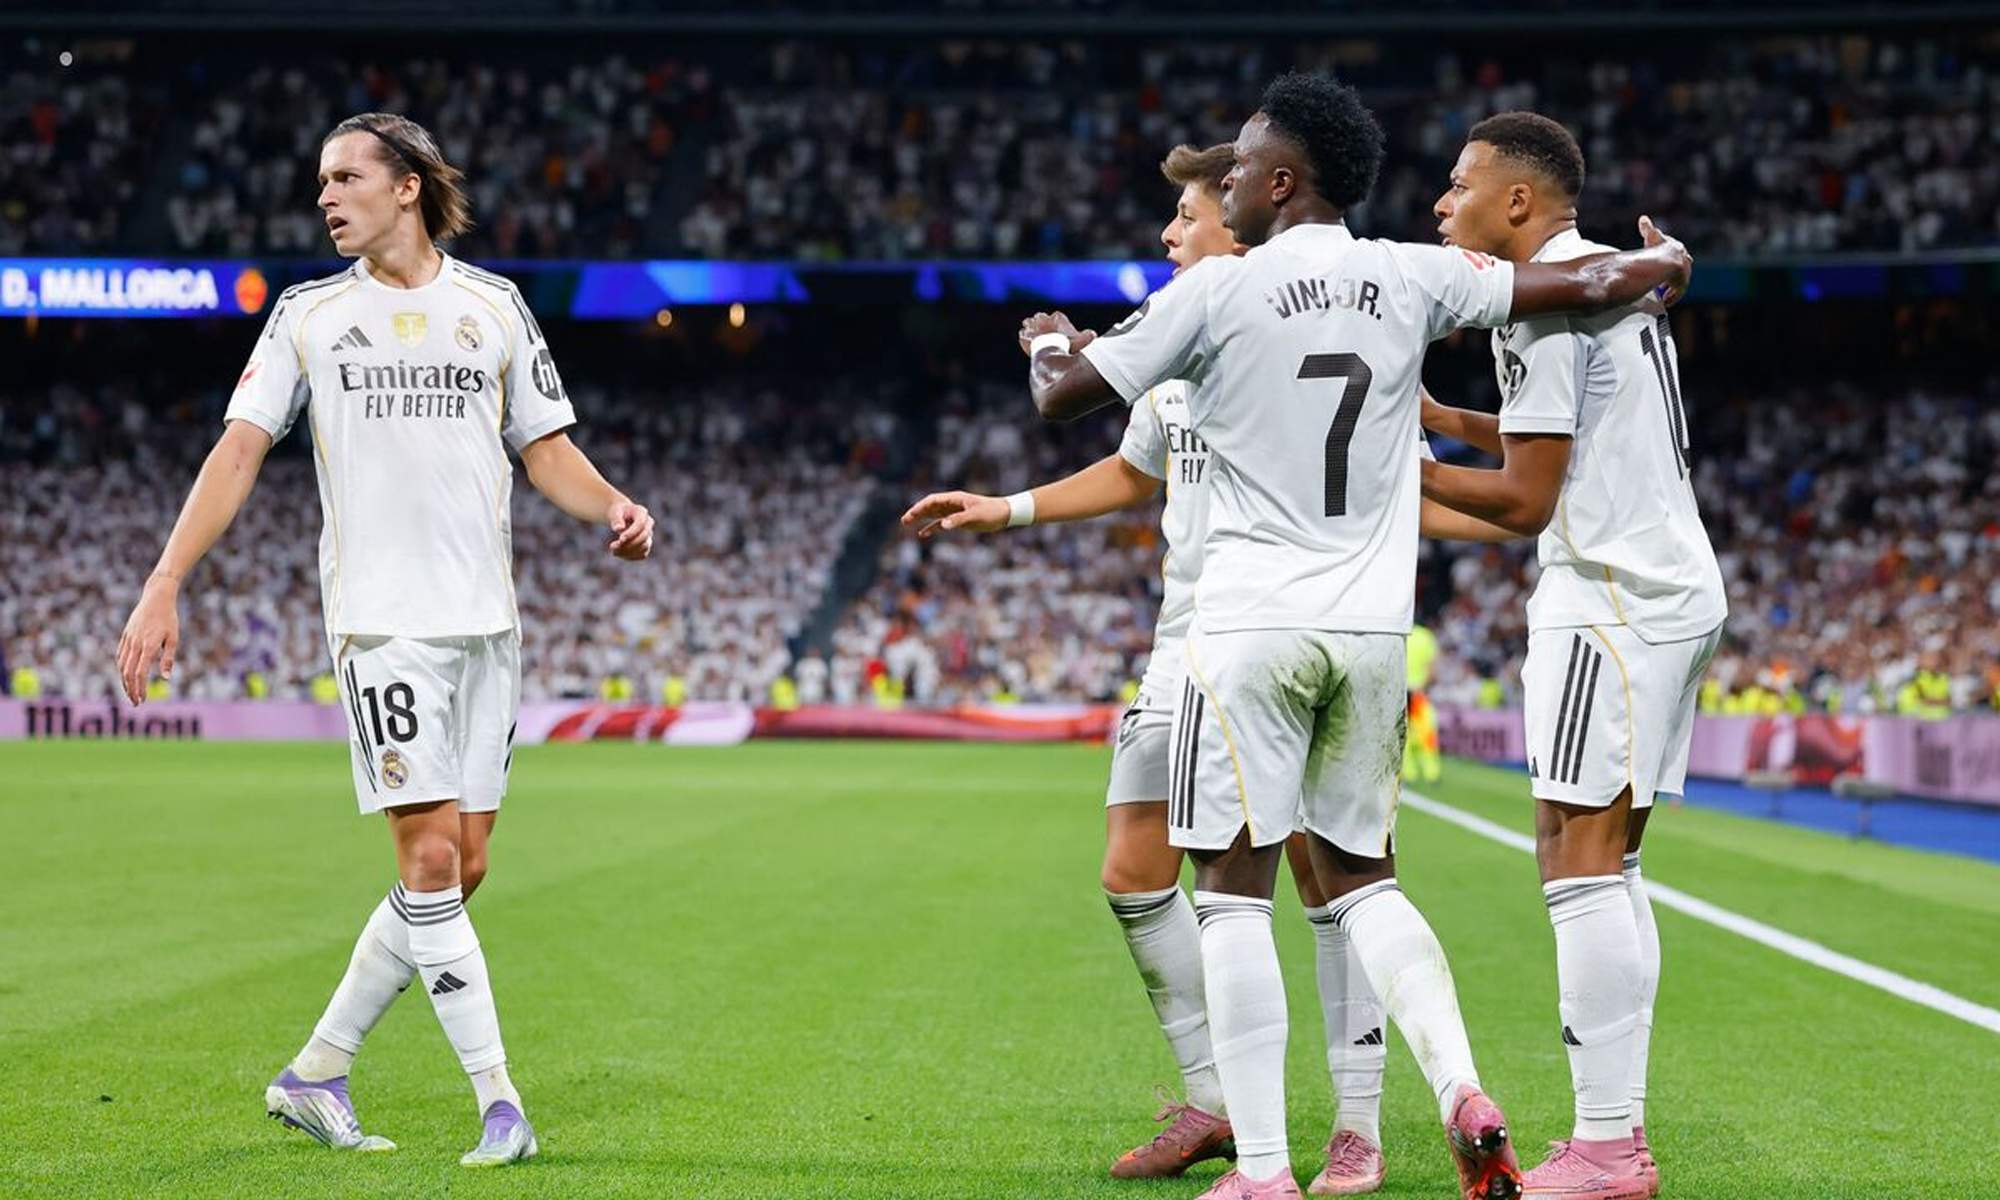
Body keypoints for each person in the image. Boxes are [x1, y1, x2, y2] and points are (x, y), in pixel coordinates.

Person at [1018, 71, 1692, 1200]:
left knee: (1231, 899)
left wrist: (1044, 343)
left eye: (1235, 164)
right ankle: (1456, 1087)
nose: (1223, 179)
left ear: (1280, 181)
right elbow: (1578, 281)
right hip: (1370, 631)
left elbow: (1065, 399)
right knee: (1362, 886)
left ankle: (1267, 1174)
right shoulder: (1409, 274)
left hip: (1245, 630)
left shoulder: (1212, 293)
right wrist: (1661, 265)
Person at [906, 140, 1516, 1194]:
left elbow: (1396, 486)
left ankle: (1344, 1130)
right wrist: (1006, 507)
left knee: (1304, 888)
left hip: (1242, 640)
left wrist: (1505, 511)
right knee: (1138, 871)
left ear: (1242, 220)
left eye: (1188, 214)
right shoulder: (1178, 340)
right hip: (1193, 651)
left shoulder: (1241, 310)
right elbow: (1131, 465)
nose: (1171, 233)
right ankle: (1224, 1102)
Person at [115, 112, 655, 1167]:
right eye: (322, 180)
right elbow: (237, 454)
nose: (326, 197)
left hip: (485, 627)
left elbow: (547, 452)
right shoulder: (309, 317)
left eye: (347, 177)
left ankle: (316, 1070)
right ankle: (500, 1102)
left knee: (464, 867)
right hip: (381, 622)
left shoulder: (491, 307)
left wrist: (612, 509)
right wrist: (165, 580)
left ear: (406, 186)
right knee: (429, 857)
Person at [1422, 110, 1728, 1199]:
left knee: (1576, 853)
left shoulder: (1545, 303)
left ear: (1517, 199)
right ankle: (1610, 1137)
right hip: (1653, 583)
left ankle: (1607, 1147)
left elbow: (1520, 499)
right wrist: (1430, 419)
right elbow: (1532, 437)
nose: (1439, 203)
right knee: (1604, 856)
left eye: (1457, 185)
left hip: (1608, 594)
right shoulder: (1590, 278)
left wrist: (1388, 464)